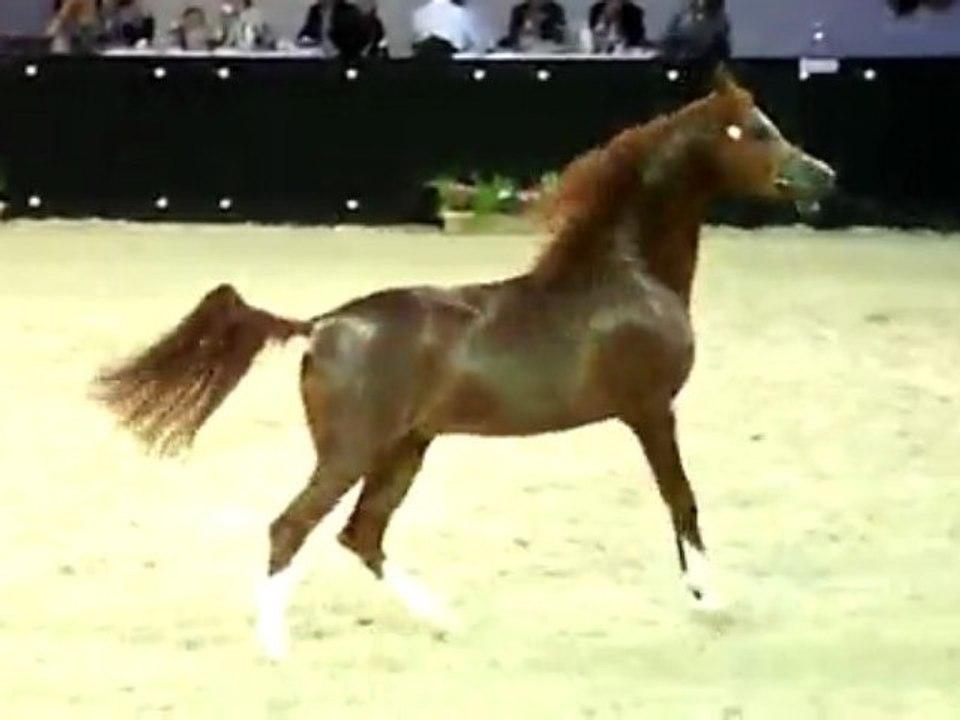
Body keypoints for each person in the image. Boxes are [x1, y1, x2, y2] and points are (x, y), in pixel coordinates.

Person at [660, 0, 730, 64]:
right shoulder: (681, 19)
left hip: (707, 62)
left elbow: (724, 52)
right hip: (683, 59)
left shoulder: (722, 24)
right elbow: (669, 44)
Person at [411, 0, 484, 58]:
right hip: (452, 60)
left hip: (422, 61)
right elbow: (474, 42)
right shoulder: (458, 12)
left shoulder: (418, 13)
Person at [500, 0, 567, 50]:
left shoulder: (556, 10)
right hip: (524, 51)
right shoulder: (519, 10)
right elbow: (513, 35)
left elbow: (561, 35)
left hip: (548, 50)